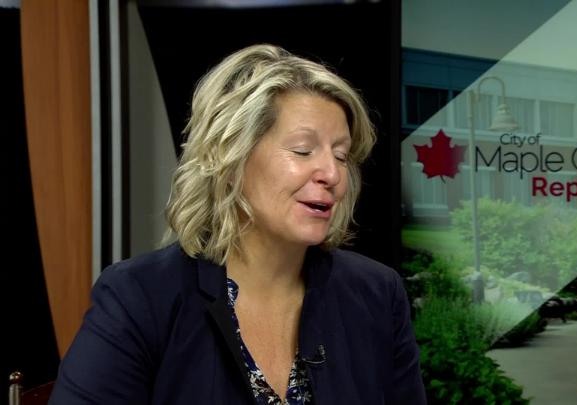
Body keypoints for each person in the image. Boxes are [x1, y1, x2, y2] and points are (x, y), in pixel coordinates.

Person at [49, 44, 426, 404]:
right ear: (231, 158)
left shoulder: (378, 294)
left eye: (341, 156)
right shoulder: (139, 297)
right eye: (303, 150)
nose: (332, 173)